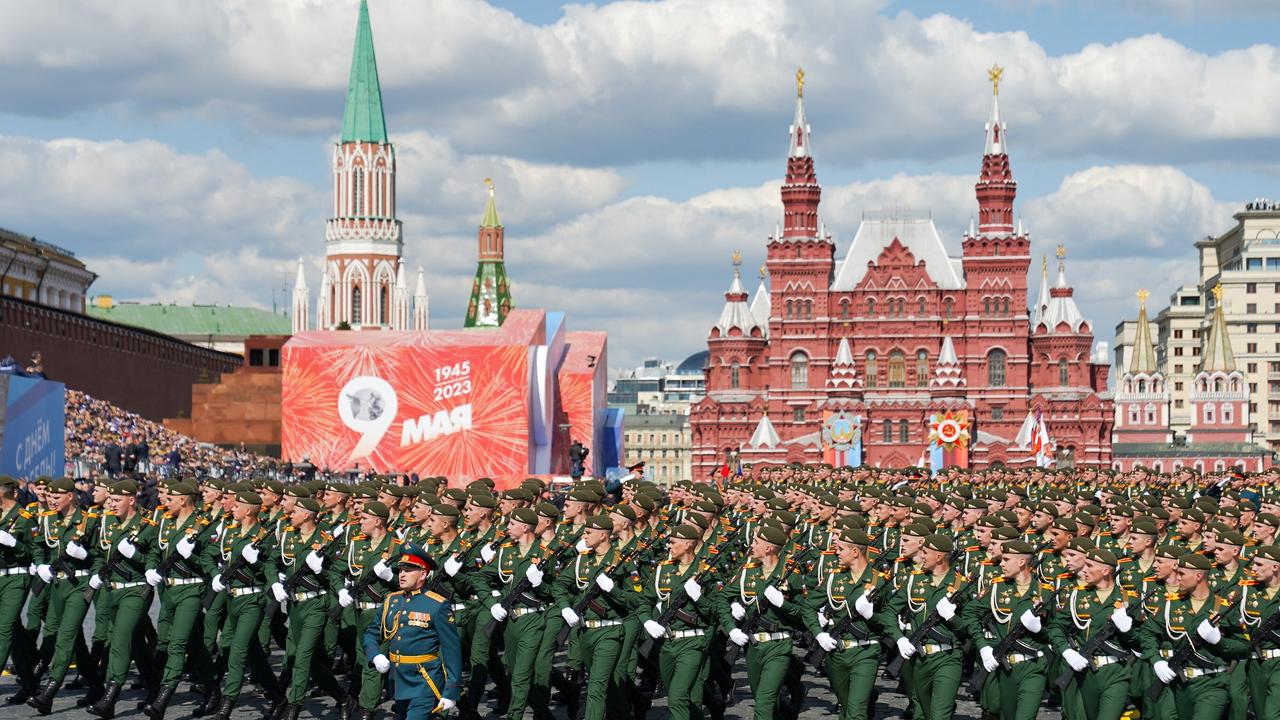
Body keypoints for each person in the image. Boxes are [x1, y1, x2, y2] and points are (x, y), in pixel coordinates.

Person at [363, 542, 462, 719]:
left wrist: (451, 691)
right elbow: (371, 633)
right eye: (400, 570)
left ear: (423, 573)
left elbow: (451, 650)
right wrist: (375, 655)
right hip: (397, 681)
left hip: (424, 681)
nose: (402, 574)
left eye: (408, 570)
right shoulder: (391, 601)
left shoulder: (437, 605)